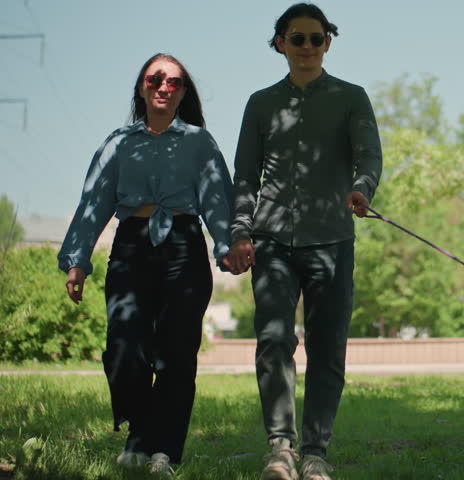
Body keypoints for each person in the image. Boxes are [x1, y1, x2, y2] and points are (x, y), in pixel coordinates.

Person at [57, 53, 234, 476]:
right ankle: (139, 432)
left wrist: (227, 246)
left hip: (184, 246)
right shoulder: (118, 143)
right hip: (132, 247)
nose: (163, 87)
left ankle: (164, 452)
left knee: (176, 353)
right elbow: (93, 202)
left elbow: (217, 199)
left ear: (183, 92)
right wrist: (77, 260)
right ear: (141, 87)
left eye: (174, 82)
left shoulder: (200, 142)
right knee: (124, 348)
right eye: (155, 79)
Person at [225, 4, 382, 479]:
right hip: (272, 241)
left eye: (316, 38)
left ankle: (315, 453)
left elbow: (369, 156)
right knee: (274, 341)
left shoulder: (351, 97)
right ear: (281, 43)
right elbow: (245, 176)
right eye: (298, 38)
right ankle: (280, 449)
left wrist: (362, 188)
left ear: (328, 43)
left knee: (327, 348)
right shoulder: (260, 103)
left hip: (332, 240)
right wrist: (240, 231)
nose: (307, 47)